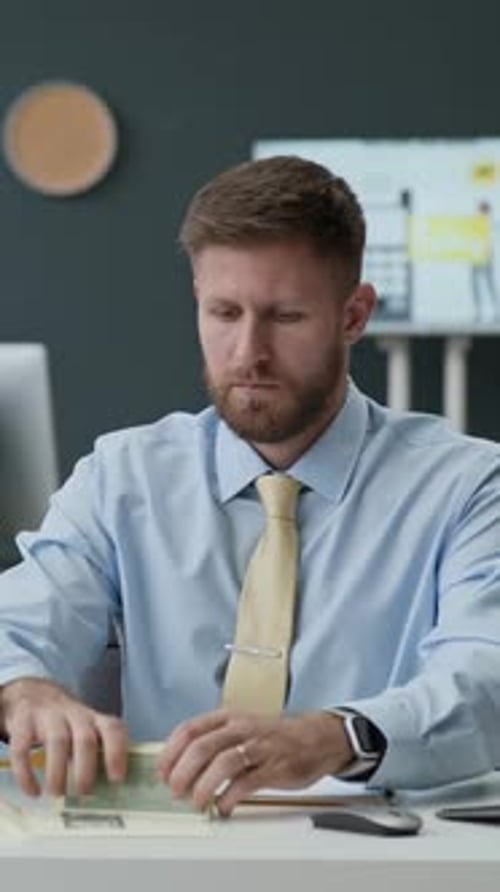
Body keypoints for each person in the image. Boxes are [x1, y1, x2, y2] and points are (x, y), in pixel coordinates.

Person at [1, 155, 500, 817]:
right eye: (224, 312)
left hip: (377, 864)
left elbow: (484, 680)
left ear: (353, 316)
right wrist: (21, 689)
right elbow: (21, 620)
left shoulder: (468, 486)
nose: (247, 353)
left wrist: (335, 736)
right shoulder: (123, 477)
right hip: (156, 857)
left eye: (286, 317)